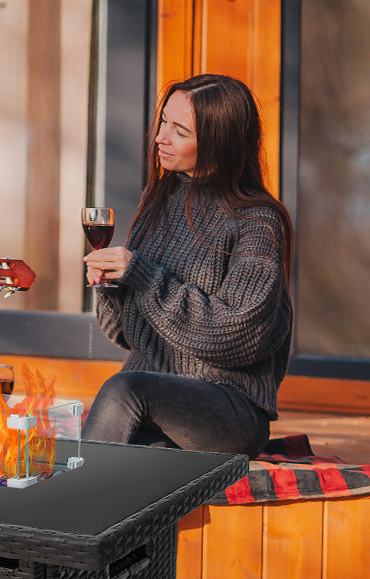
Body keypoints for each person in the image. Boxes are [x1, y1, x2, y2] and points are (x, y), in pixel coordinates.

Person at [80, 74, 293, 456]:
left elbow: (237, 339)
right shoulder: (160, 200)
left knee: (123, 388)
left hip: (229, 408)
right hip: (161, 403)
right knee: (131, 459)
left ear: (218, 144)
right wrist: (112, 288)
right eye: (164, 122)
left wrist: (143, 279)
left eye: (179, 131)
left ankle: (67, 510)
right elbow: (127, 337)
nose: (161, 137)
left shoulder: (257, 222)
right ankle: (72, 510)